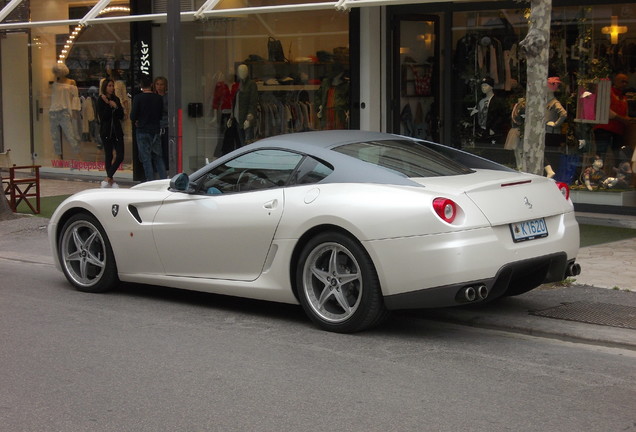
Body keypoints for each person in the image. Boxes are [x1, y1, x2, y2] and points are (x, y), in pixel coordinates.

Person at [593, 73, 635, 167]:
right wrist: (622, 119)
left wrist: (630, 120)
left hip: (618, 132)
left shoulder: (624, 98)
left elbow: (626, 115)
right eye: (622, 81)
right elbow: (605, 111)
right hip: (604, 129)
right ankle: (596, 176)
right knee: (600, 156)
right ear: (615, 81)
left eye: (626, 82)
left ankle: (618, 177)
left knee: (619, 156)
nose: (624, 84)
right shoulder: (608, 92)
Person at [130, 76, 166, 182]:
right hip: (155, 130)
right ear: (151, 85)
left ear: (141, 86)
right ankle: (163, 179)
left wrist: (138, 120)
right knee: (158, 157)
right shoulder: (158, 98)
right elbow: (160, 115)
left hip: (142, 130)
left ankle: (150, 181)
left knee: (146, 158)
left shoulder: (138, 98)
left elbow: (132, 116)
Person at [97, 78, 125, 188]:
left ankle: (108, 177)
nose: (111, 88)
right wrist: (108, 105)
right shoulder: (100, 100)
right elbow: (102, 117)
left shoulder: (116, 99)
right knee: (109, 155)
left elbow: (121, 115)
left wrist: (115, 106)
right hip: (106, 131)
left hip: (117, 131)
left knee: (120, 156)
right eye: (109, 86)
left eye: (112, 86)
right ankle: (111, 181)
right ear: (105, 87)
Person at [49, 63, 81, 156]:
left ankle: (78, 156)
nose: (57, 74)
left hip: (65, 111)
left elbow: (75, 97)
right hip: (53, 111)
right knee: (55, 137)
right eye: (56, 72)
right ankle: (58, 157)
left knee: (71, 135)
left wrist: (74, 110)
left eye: (58, 72)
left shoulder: (71, 82)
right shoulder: (54, 84)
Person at [226, 64, 258, 148]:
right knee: (239, 144)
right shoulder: (238, 84)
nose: (242, 73)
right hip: (237, 119)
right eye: (240, 71)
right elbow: (236, 102)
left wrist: (249, 118)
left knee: (247, 144)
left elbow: (253, 102)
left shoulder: (251, 84)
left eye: (244, 71)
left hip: (245, 120)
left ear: (247, 72)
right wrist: (231, 117)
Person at [470, 76, 506, 145]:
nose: (483, 87)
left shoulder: (497, 101)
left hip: (492, 133)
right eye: (482, 86)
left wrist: (493, 128)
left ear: (491, 87)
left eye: (485, 85)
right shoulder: (481, 101)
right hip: (481, 132)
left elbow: (501, 116)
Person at [544, 77, 568, 178]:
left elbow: (564, 114)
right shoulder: (547, 101)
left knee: (548, 154)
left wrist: (556, 124)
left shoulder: (554, 102)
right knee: (545, 154)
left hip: (551, 133)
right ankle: (548, 172)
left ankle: (550, 172)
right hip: (547, 132)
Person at [153, 76, 169, 170]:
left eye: (161, 84)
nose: (159, 87)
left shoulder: (167, 97)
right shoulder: (153, 96)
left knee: (165, 149)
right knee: (156, 151)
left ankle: (166, 169)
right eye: (157, 84)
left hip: (165, 125)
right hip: (155, 126)